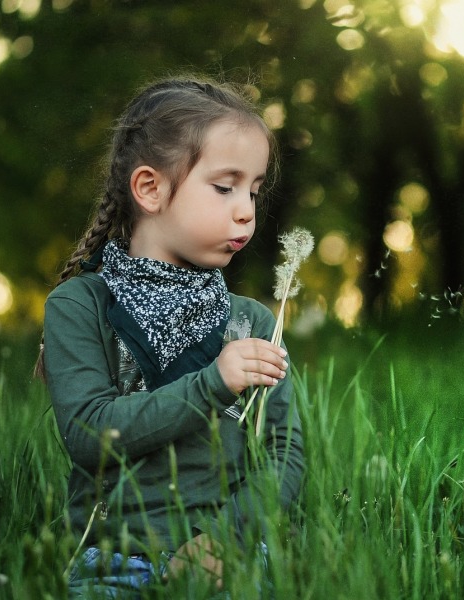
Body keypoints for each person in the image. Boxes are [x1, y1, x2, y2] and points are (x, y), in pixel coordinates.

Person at [37, 76, 305, 597]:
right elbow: (90, 436)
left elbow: (284, 453)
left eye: (253, 189)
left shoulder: (252, 321)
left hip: (231, 554)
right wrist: (214, 384)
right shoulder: (79, 306)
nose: (247, 209)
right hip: (113, 557)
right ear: (150, 188)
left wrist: (224, 541)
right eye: (225, 187)